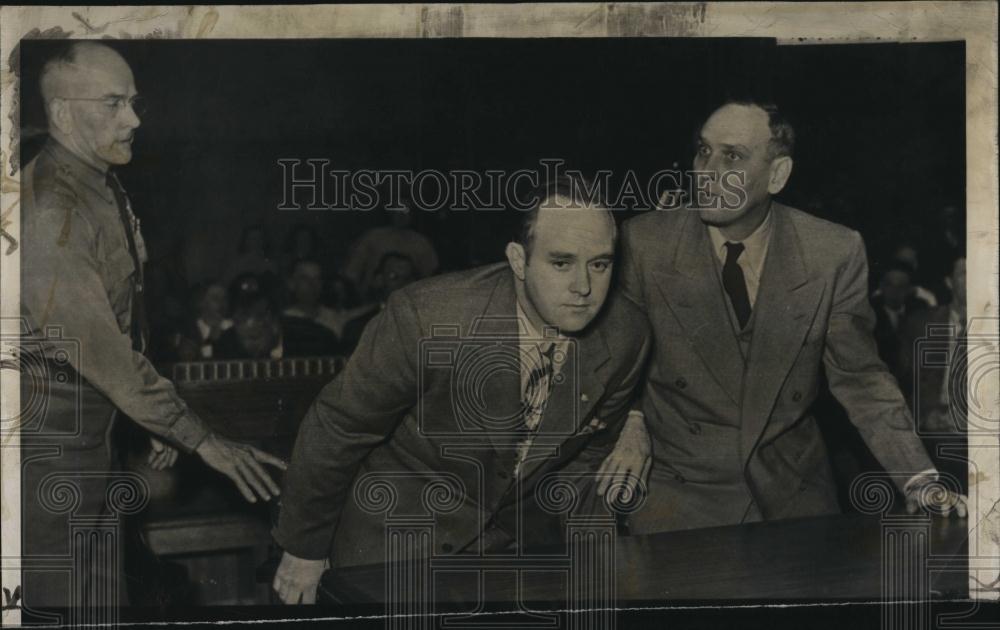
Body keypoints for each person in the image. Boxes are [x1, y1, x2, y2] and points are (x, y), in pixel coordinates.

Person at [271, 178, 652, 604]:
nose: (584, 287)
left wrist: (596, 558)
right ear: (518, 260)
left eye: (600, 264)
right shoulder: (428, 317)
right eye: (561, 263)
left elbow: (588, 458)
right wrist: (304, 549)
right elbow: (338, 426)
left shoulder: (626, 335)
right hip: (395, 533)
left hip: (510, 542)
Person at [618, 100, 965, 535]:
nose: (705, 171)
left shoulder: (833, 252)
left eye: (733, 156)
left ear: (777, 175)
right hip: (679, 495)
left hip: (793, 494)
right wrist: (632, 422)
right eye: (703, 150)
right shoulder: (644, 241)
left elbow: (860, 378)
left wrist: (919, 478)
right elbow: (613, 362)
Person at [19, 42, 286, 609]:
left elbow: (121, 325)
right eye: (114, 104)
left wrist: (148, 423)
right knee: (56, 607)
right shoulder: (51, 211)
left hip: (93, 444)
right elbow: (104, 353)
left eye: (134, 102)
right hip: (46, 455)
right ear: (64, 114)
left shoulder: (97, 183)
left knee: (96, 601)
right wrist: (200, 438)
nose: (134, 119)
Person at [899, 250, 968, 494]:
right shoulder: (920, 324)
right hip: (928, 431)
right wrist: (925, 415)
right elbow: (900, 381)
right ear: (949, 282)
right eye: (965, 273)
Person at [217, 276, 340, 360]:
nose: (246, 345)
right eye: (242, 338)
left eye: (254, 337)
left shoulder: (316, 341)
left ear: (274, 324)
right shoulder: (227, 343)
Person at [342, 202, 440, 300]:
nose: (401, 214)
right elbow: (351, 273)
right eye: (397, 210)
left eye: (406, 210)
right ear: (389, 212)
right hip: (372, 300)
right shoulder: (372, 237)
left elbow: (431, 278)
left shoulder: (421, 243)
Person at [871, 259, 930, 376]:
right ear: (881, 286)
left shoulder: (919, 309)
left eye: (901, 286)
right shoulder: (870, 311)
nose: (895, 291)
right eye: (889, 285)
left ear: (910, 289)